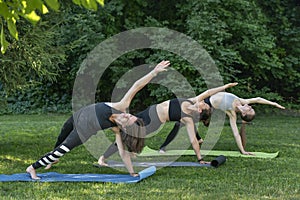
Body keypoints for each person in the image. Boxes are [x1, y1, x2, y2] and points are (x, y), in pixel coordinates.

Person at [25, 60, 171, 180]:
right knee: (60, 139)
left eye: (128, 119)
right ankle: (53, 158)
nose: (127, 115)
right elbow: (136, 86)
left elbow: (123, 153)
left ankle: (32, 168)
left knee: (62, 150)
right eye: (131, 115)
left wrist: (132, 172)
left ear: (126, 127)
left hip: (83, 130)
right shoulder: (122, 106)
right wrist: (154, 72)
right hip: (79, 115)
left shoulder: (118, 130)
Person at [98, 83, 238, 165]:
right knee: (123, 127)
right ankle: (127, 150)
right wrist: (226, 86)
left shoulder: (188, 119)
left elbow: (193, 140)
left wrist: (200, 158)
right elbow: (208, 92)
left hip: (152, 122)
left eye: (204, 105)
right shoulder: (192, 100)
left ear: (200, 110)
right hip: (149, 110)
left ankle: (103, 158)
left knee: (125, 134)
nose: (204, 102)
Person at [159, 92, 285, 155]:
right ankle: (198, 137)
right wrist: (274, 104)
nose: (250, 106)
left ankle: (163, 148)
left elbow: (235, 133)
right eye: (252, 107)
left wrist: (243, 151)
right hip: (204, 102)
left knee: (182, 123)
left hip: (206, 108)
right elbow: (258, 99)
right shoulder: (242, 101)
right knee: (184, 123)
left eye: (250, 109)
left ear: (245, 114)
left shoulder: (232, 113)